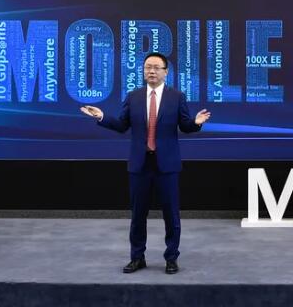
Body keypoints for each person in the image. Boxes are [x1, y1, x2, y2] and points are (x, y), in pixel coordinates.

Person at [80, 52, 211, 275]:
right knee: (138, 215)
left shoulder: (176, 97)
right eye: (148, 67)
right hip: (140, 165)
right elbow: (122, 125)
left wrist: (196, 123)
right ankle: (137, 257)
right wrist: (102, 116)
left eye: (156, 67)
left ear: (166, 72)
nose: (151, 71)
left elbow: (185, 125)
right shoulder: (134, 97)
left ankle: (171, 258)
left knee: (171, 215)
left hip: (166, 166)